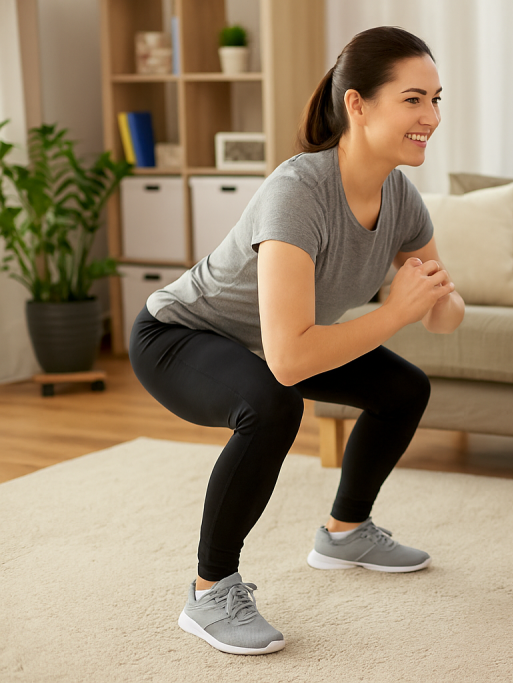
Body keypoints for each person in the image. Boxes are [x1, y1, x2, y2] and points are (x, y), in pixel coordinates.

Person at [129, 26, 463, 655]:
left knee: (403, 389)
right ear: (358, 105)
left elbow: (442, 318)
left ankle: (345, 531)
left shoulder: (402, 199)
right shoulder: (298, 191)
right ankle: (209, 592)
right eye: (414, 99)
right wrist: (396, 312)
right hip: (177, 335)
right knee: (270, 404)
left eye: (438, 99)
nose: (432, 117)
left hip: (262, 345)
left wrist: (439, 297)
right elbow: (288, 361)